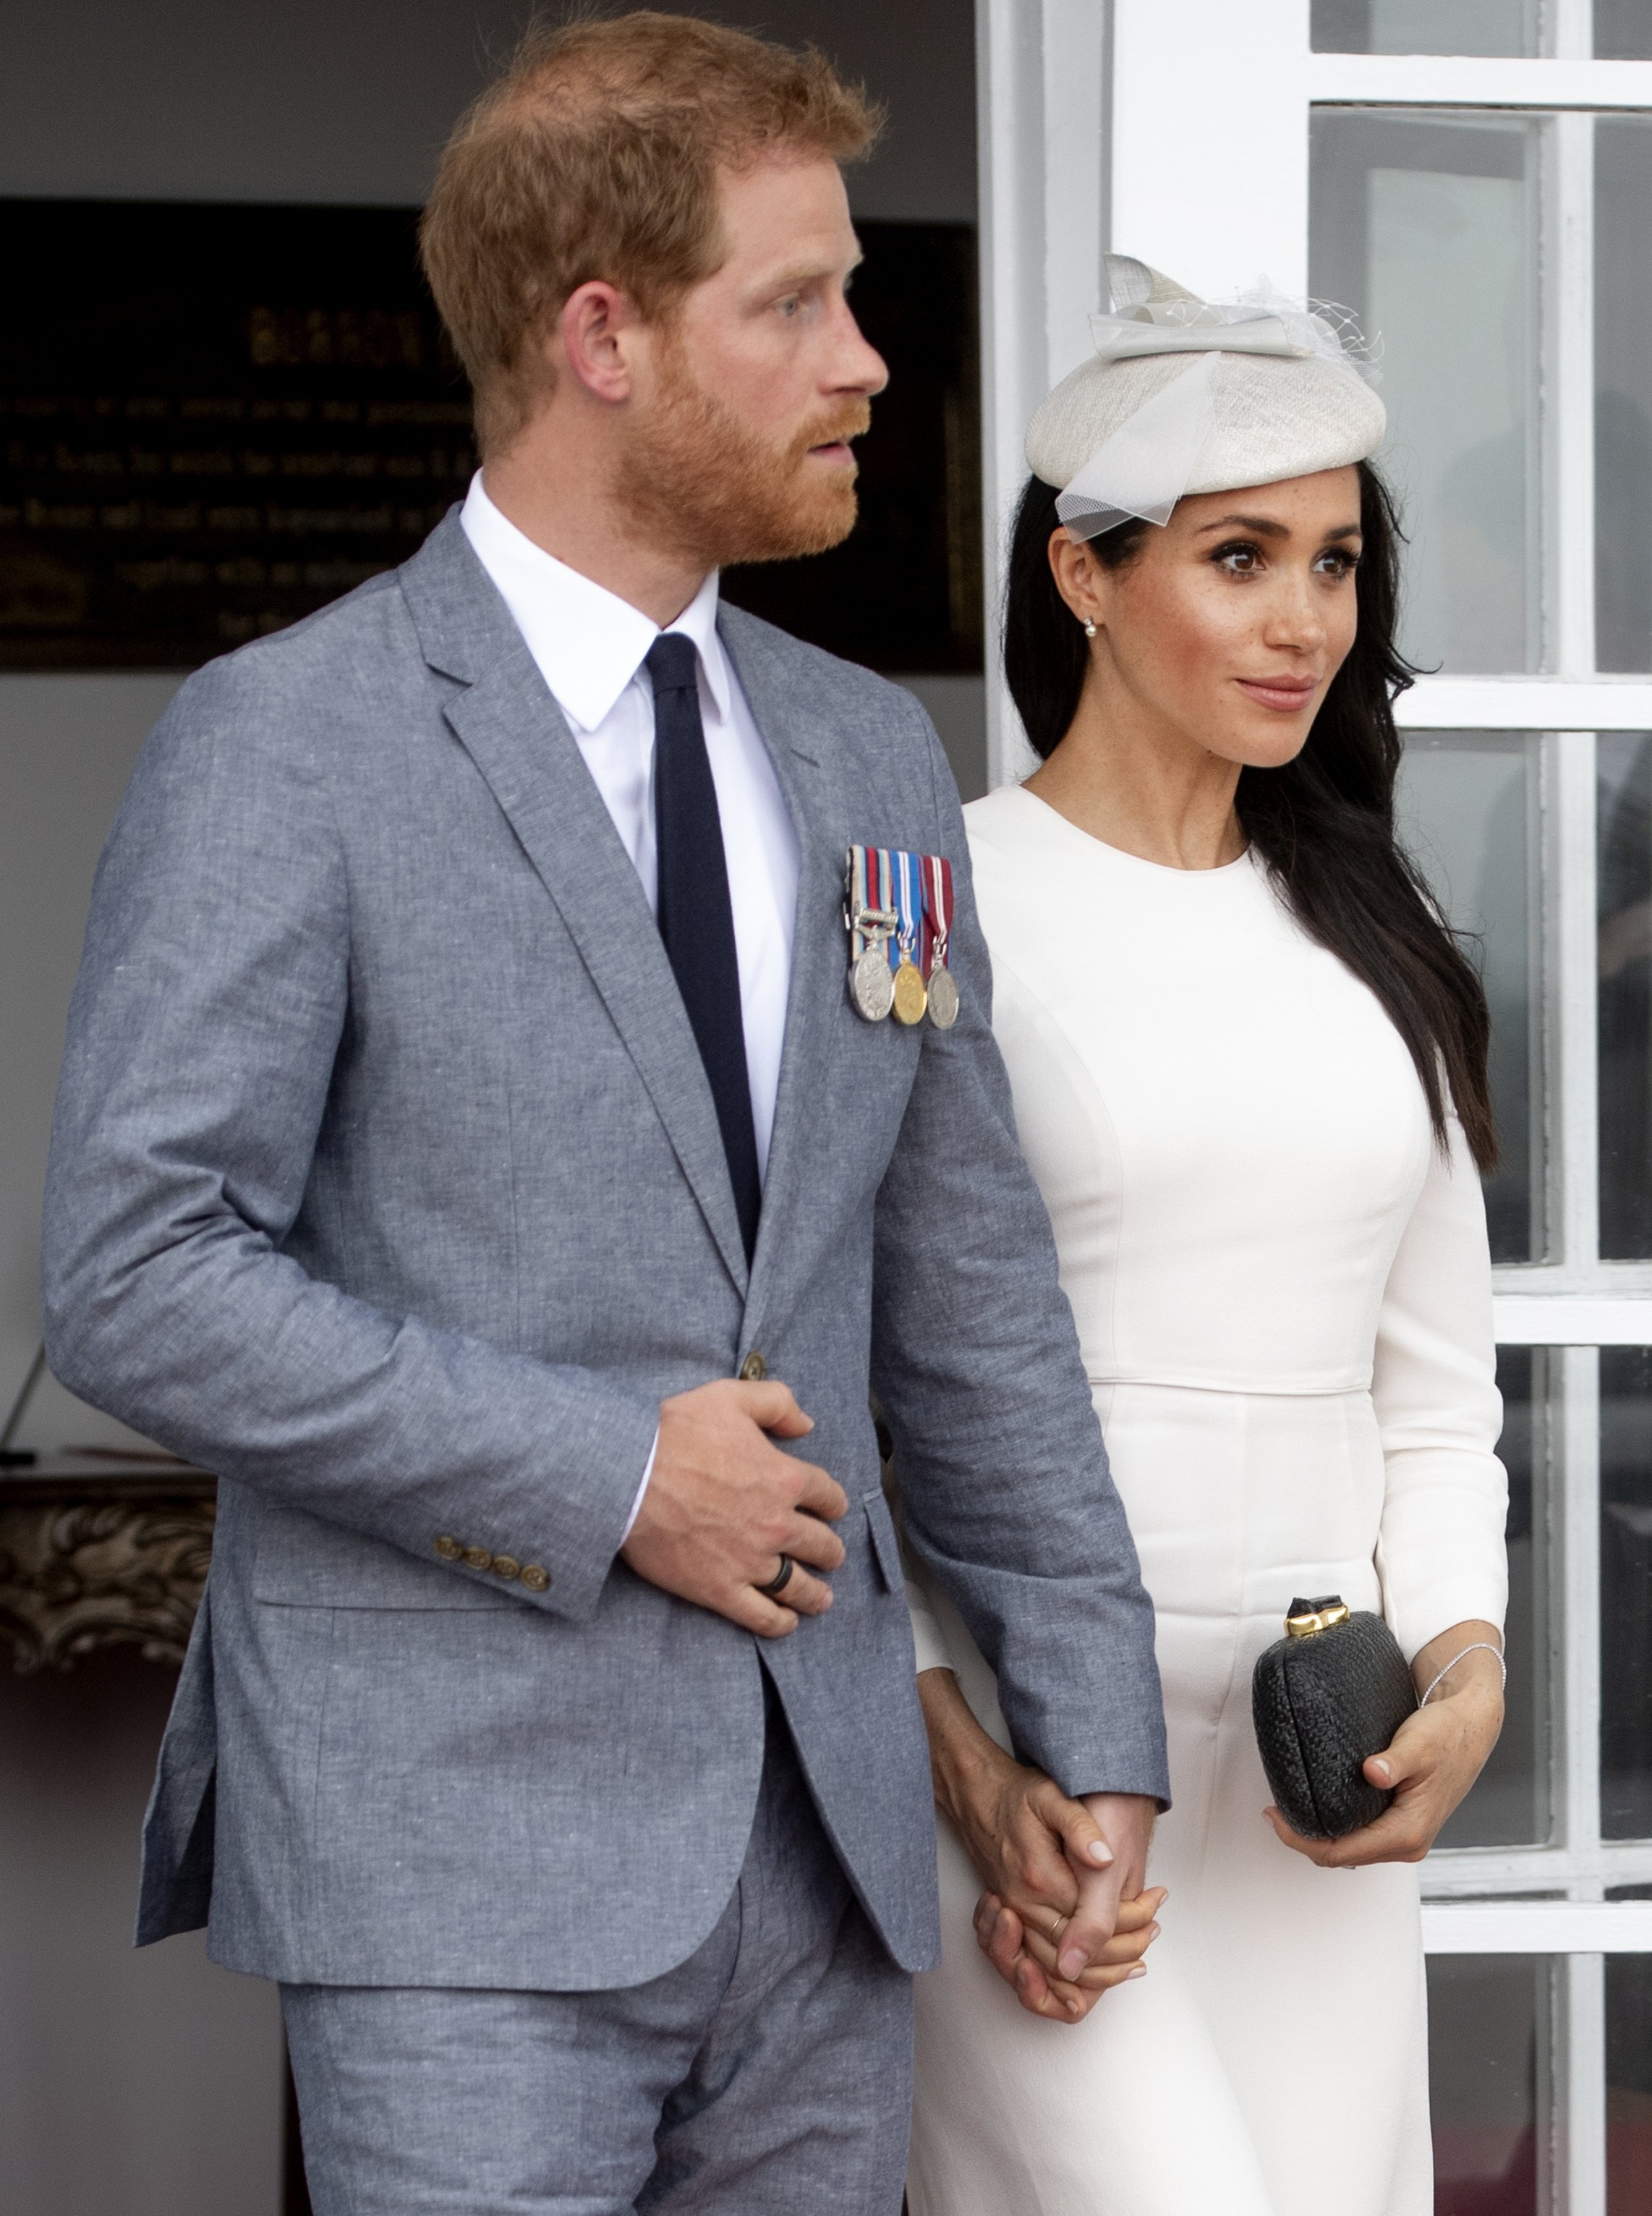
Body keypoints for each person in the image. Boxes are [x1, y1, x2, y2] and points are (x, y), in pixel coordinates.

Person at [40, 22, 1169, 2215]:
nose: (868, 359)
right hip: (454, 1860)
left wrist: (1087, 1737)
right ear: (601, 340)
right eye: (797, 303)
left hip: (828, 1859)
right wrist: (606, 1469)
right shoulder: (288, 740)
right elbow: (134, 1273)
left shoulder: (860, 756)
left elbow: (968, 1297)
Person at [903, 259, 1510, 2216]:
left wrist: (1466, 1663)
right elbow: (840, 1381)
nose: (1303, 619)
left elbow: (1430, 1393)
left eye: (1333, 564)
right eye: (1238, 556)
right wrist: (968, 1779)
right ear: (1079, 574)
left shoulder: (1373, 937)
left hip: (1318, 1756)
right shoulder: (922, 905)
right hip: (1032, 1765)